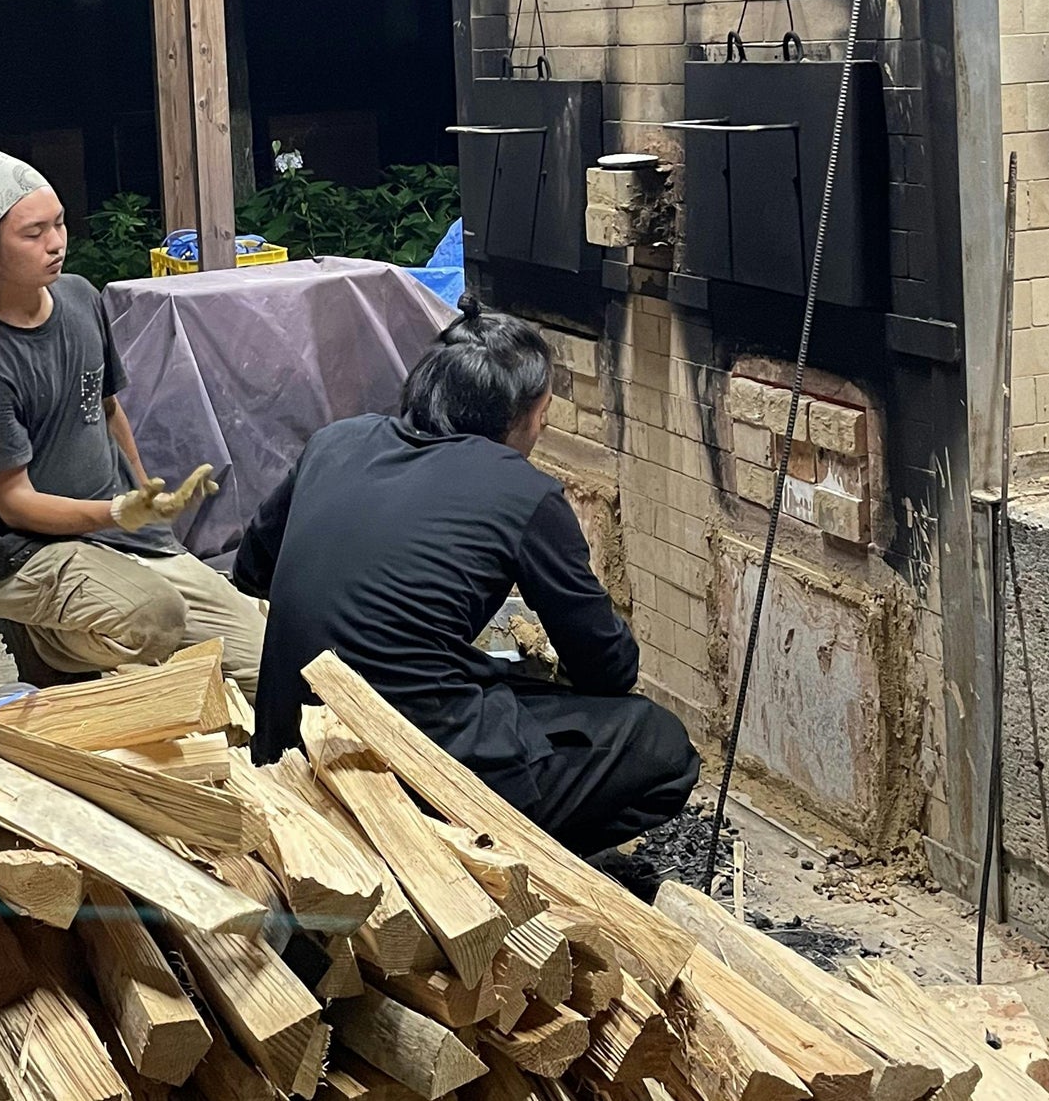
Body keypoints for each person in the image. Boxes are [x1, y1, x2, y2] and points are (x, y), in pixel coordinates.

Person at [235, 294, 700, 855]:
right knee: (662, 747)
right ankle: (485, 853)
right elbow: (608, 670)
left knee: (500, 679)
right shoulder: (521, 489)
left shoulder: (336, 439)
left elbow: (251, 571)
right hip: (404, 772)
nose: (543, 428)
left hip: (285, 744)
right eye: (543, 415)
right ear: (517, 416)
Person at [0, 151, 266, 693]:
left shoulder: (79, 296)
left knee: (261, 664)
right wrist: (113, 513)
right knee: (155, 617)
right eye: (34, 233)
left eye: (59, 223)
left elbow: (107, 408)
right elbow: (14, 502)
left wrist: (145, 497)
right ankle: (43, 639)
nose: (56, 243)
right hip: (32, 553)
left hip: (121, 532)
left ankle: (114, 635)